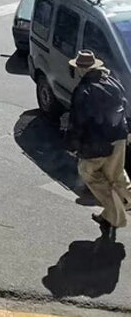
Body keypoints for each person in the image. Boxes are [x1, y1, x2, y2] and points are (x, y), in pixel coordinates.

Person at [65, 50, 131, 238]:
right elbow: (124, 104)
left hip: (96, 144)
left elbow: (77, 122)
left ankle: (116, 216)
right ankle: (120, 205)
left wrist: (71, 145)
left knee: (92, 176)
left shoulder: (83, 90)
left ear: (81, 69)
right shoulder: (111, 81)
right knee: (116, 175)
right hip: (118, 137)